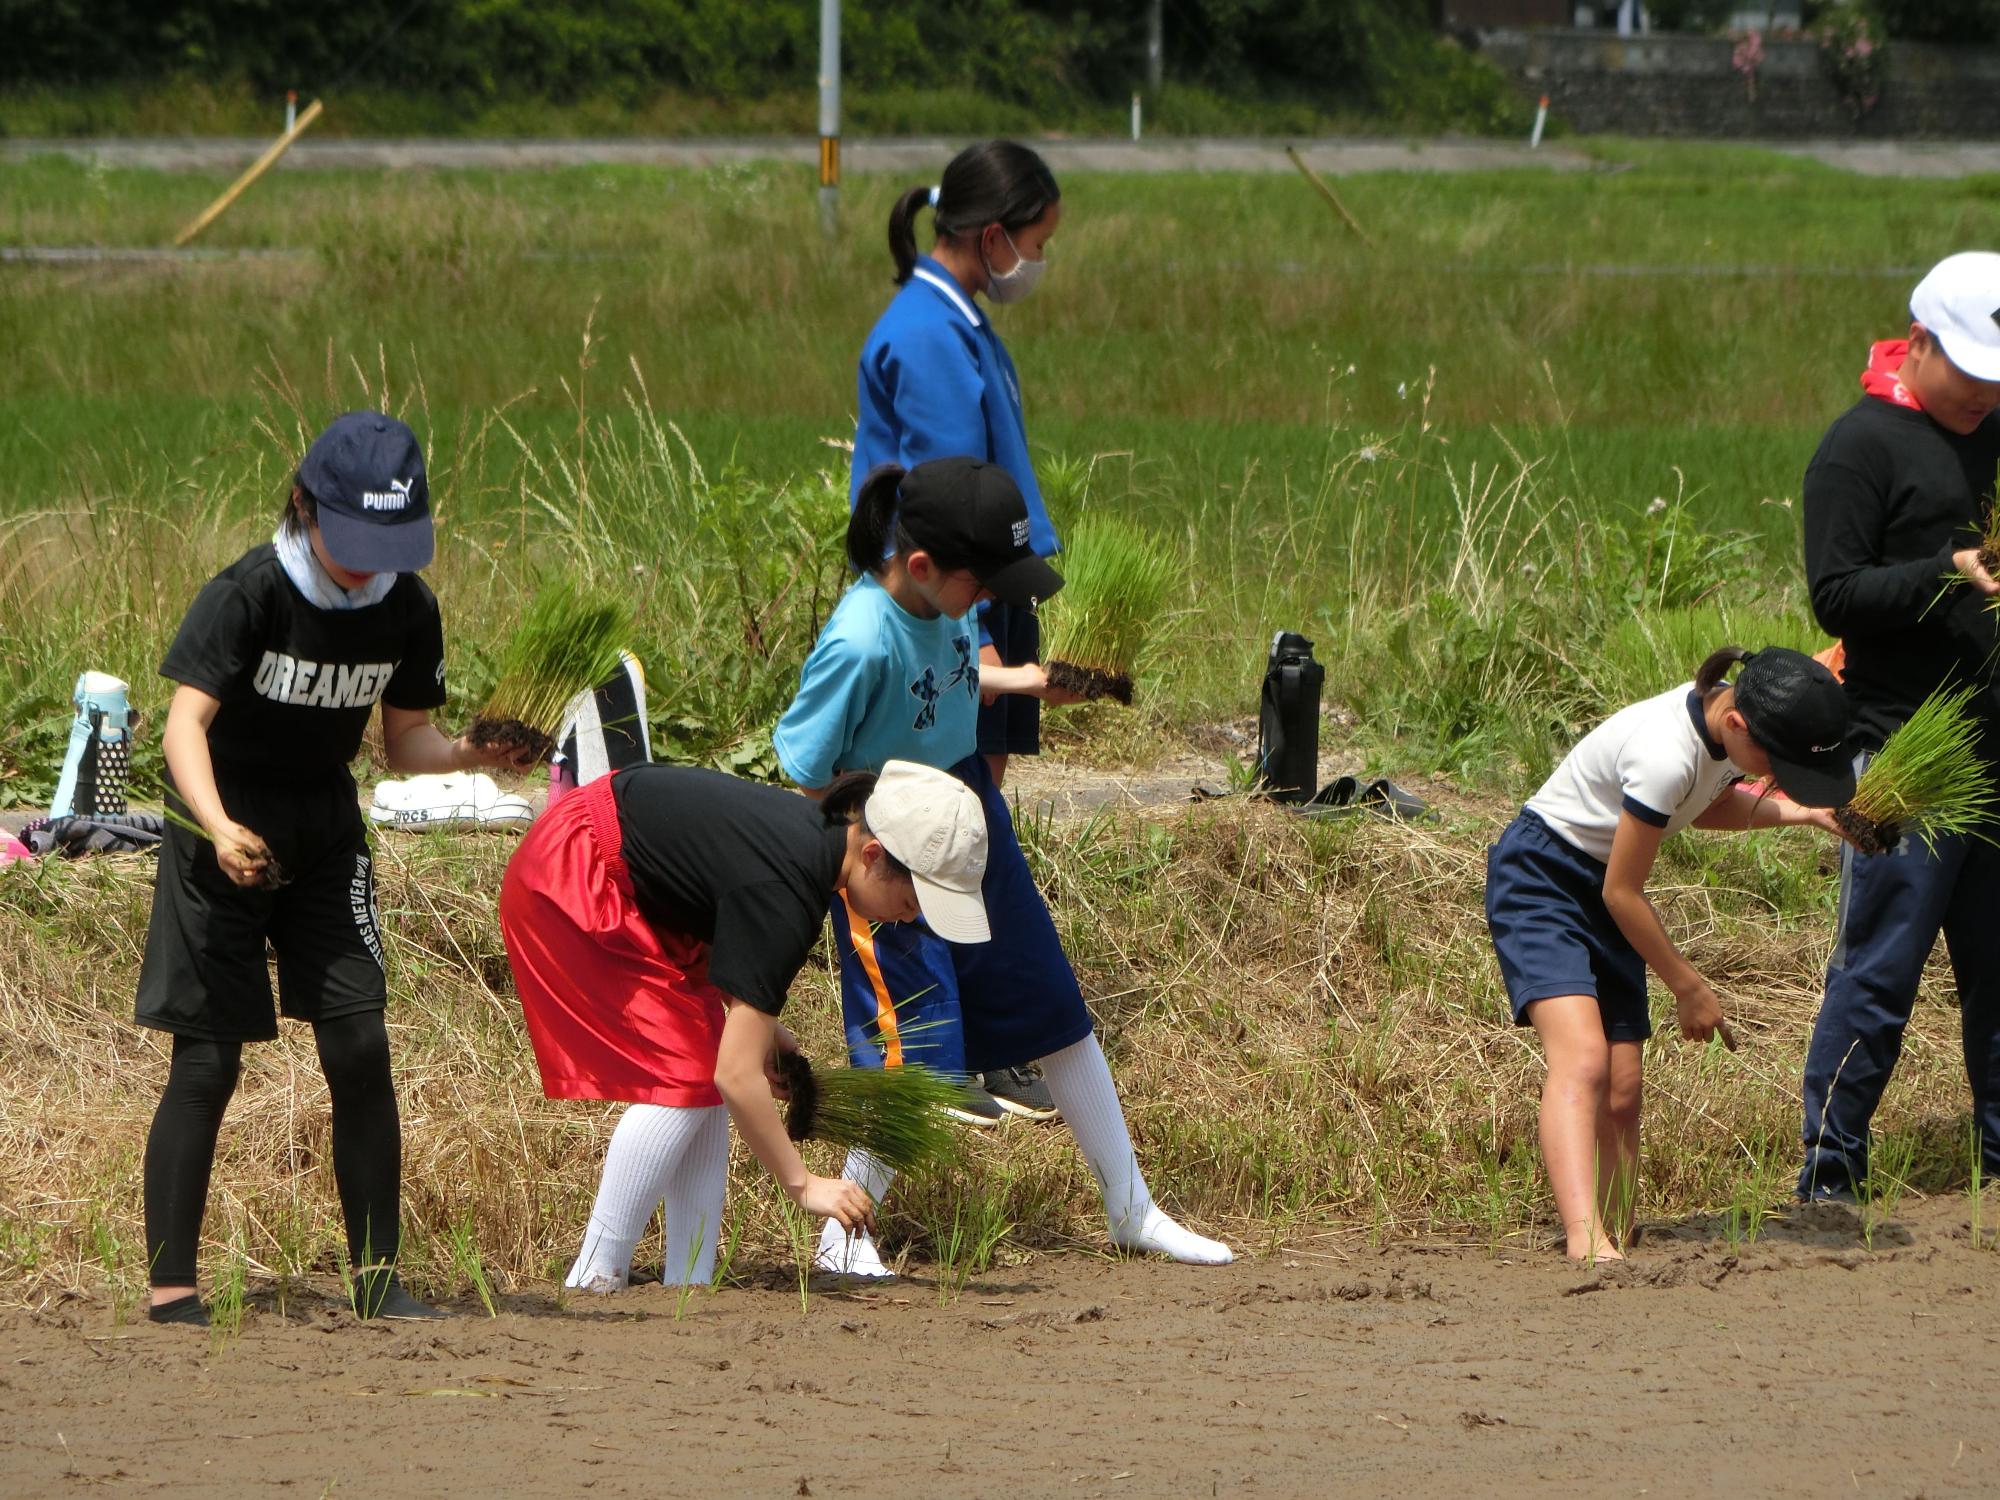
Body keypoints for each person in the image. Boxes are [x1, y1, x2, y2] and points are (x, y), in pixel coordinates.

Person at [773, 456, 1233, 1278]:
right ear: (921, 567)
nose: (986, 601)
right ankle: (843, 1234)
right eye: (980, 585)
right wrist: (861, 854)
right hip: (888, 848)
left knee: (1051, 1004)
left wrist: (1022, 680)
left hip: (971, 813)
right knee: (913, 1038)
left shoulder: (939, 606)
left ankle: (1132, 1208)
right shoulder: (856, 641)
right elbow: (804, 768)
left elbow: (946, 678)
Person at [137, 412, 530, 1326]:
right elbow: (182, 727)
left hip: (324, 834)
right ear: (305, 507)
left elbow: (405, 745)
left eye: (386, 542)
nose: (365, 561)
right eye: (351, 539)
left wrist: (477, 749)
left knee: (359, 1046)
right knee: (207, 1062)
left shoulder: (407, 606)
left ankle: (377, 1279)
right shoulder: (250, 592)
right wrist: (219, 827)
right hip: (219, 837)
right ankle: (171, 1291)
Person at [499, 759, 991, 1294]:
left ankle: (689, 1281)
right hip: (573, 873)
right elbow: (735, 1076)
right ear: (872, 855)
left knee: (701, 1059)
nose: (908, 917)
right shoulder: (788, 888)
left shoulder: (816, 846)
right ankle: (594, 1273)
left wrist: (761, 1031)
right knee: (687, 1074)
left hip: (612, 868)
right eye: (912, 900)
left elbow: (715, 904)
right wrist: (803, 1185)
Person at [1485, 647, 1855, 1261]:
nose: (1777, 777)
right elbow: (1623, 891)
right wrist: (1687, 985)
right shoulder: (1664, 752)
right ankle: (1585, 1241)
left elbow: (1706, 803)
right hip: (1544, 880)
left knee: (1624, 1086)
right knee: (1583, 1060)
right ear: (1738, 724)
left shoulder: (1721, 731)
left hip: (1606, 887)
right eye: (1777, 763)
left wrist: (1804, 813)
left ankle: (1620, 1229)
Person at [853, 139, 1066, 1119]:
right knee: (923, 827)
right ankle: (927, 1057)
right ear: (989, 236)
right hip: (949, 612)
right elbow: (946, 502)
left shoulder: (959, 318)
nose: (1039, 259)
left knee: (970, 828)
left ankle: (981, 1046)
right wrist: (971, 639)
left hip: (985, 597)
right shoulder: (928, 335)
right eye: (1035, 241)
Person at [1797, 251, 2000, 1203]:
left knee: (1999, 974)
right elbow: (1834, 594)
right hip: (1902, 746)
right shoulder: (1860, 445)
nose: (1983, 394)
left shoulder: (1995, 430)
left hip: (1996, 747)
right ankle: (1830, 1171)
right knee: (1880, 968)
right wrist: (1945, 571)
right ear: (1918, 342)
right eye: (1970, 371)